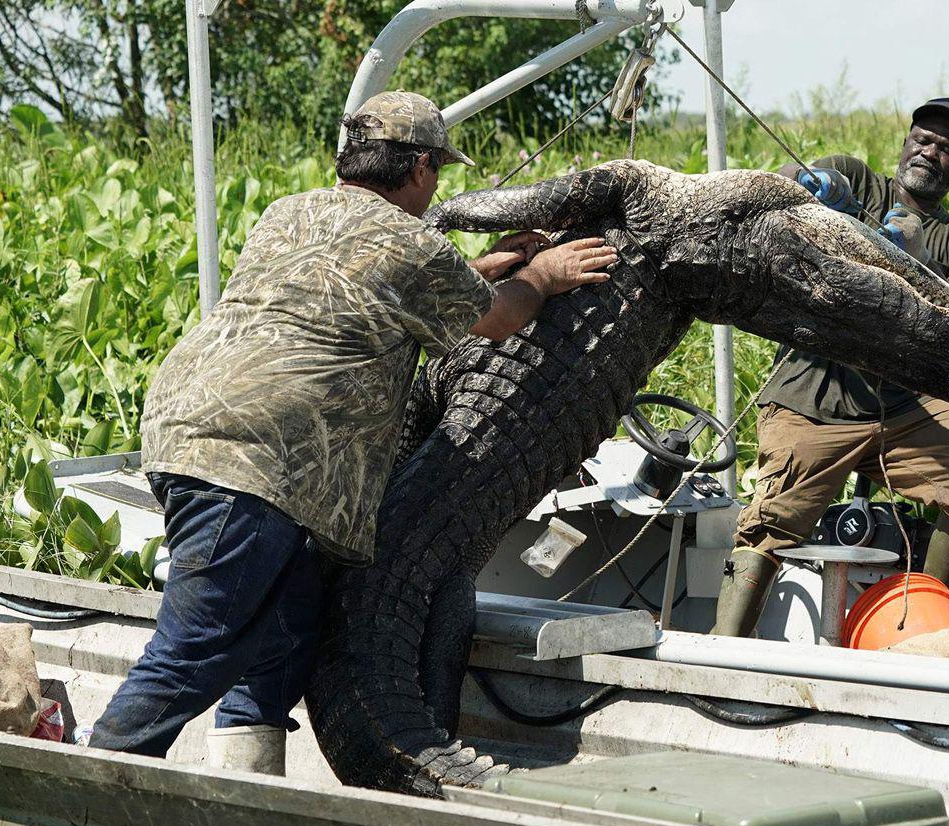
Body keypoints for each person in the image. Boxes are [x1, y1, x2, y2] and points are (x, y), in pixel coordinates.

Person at [87, 91, 618, 769]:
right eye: (440, 173)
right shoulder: (412, 245)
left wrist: (484, 268)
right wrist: (540, 274)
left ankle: (253, 783)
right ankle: (88, 786)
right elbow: (500, 319)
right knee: (200, 644)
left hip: (188, 421)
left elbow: (365, 278)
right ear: (421, 167)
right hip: (259, 455)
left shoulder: (290, 213)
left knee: (291, 623)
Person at [713, 97, 949, 638]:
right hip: (811, 396)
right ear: (905, 142)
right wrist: (811, 185)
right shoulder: (853, 177)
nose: (930, 152)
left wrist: (921, 260)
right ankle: (721, 654)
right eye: (923, 138)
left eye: (947, 149)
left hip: (903, 408)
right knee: (769, 524)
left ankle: (934, 636)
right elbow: (776, 191)